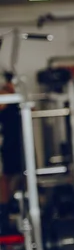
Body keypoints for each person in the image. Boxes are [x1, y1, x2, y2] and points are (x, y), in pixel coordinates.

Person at [0, 71, 23, 235]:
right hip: (8, 145)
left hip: (16, 146)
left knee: (15, 178)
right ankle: (5, 216)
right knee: (6, 180)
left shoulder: (15, 104)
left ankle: (8, 215)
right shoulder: (7, 104)